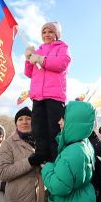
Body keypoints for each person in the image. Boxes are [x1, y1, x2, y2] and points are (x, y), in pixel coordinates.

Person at [41, 101, 101, 202]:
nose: (59, 122)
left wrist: (47, 167)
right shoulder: (84, 143)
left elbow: (59, 186)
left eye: (63, 119)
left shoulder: (73, 151)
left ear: (73, 122)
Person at [24, 21, 71, 165]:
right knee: (38, 126)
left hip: (55, 96)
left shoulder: (62, 48)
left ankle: (55, 153)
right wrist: (28, 58)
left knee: (54, 127)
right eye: (44, 32)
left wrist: (41, 60)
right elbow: (28, 73)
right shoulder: (37, 50)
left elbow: (62, 64)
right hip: (38, 96)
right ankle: (41, 151)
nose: (47, 35)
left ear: (56, 34)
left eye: (50, 31)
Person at [0, 107, 45, 202]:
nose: (24, 121)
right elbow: (3, 173)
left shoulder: (42, 141)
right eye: (20, 119)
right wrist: (30, 161)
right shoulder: (8, 144)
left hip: (42, 200)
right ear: (16, 123)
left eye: (28, 118)